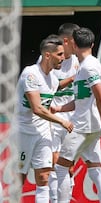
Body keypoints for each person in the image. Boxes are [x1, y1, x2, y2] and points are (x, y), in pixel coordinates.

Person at [51, 27, 101, 203]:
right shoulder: (85, 66)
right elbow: (81, 100)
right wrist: (58, 109)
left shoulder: (89, 66)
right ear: (92, 44)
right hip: (91, 125)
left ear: (73, 43)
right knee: (95, 168)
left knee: (61, 168)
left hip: (82, 125)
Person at [13, 35, 73, 203]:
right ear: (48, 55)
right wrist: (61, 120)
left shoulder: (53, 79)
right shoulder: (30, 74)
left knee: (44, 177)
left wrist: (73, 78)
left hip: (43, 132)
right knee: (19, 178)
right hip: (23, 132)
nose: (63, 58)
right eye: (60, 54)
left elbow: (54, 90)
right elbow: (37, 108)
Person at [48, 23, 80, 203]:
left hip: (72, 120)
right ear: (66, 41)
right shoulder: (48, 58)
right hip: (53, 118)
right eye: (75, 41)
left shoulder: (78, 60)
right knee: (54, 165)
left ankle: (65, 198)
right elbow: (46, 87)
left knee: (69, 168)